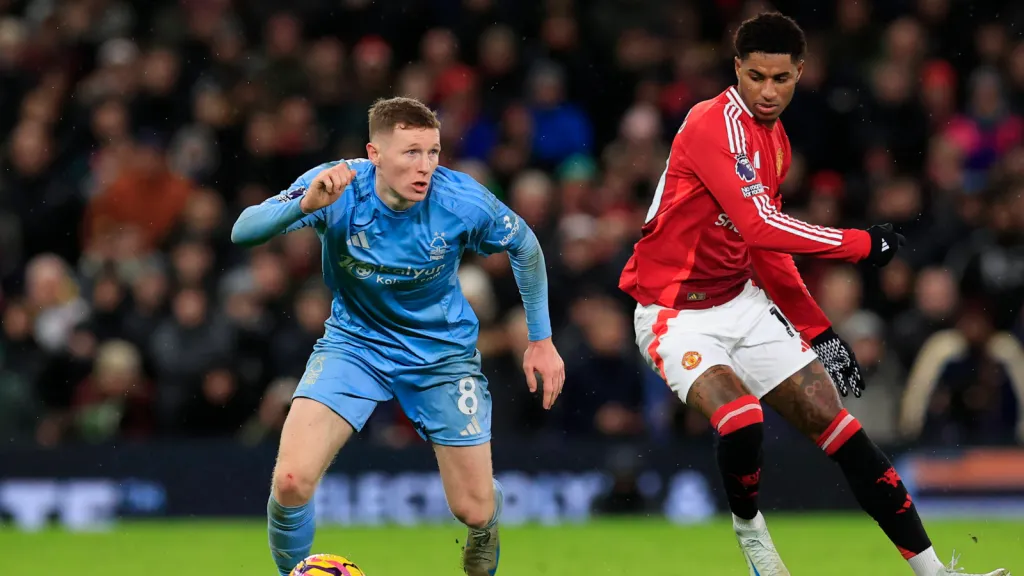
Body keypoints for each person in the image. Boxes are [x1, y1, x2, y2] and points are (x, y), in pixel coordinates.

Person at [619, 12, 1006, 576]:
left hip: (742, 303)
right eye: (755, 77)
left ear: (800, 72)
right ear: (736, 70)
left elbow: (765, 251)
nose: (768, 91)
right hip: (674, 315)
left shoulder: (775, 143)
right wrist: (859, 244)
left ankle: (935, 573)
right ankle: (752, 535)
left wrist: (819, 331)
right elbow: (758, 227)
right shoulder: (712, 125)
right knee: (742, 419)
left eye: (781, 78)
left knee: (844, 432)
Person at [231, 96, 565, 576]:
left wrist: (541, 339)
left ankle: (486, 524)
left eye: (433, 151)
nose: (426, 166)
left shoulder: (460, 200)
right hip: (354, 345)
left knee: (472, 508)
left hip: (442, 356)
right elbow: (244, 230)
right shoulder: (336, 184)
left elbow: (525, 245)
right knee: (289, 481)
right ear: (374, 154)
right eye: (411, 152)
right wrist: (305, 205)